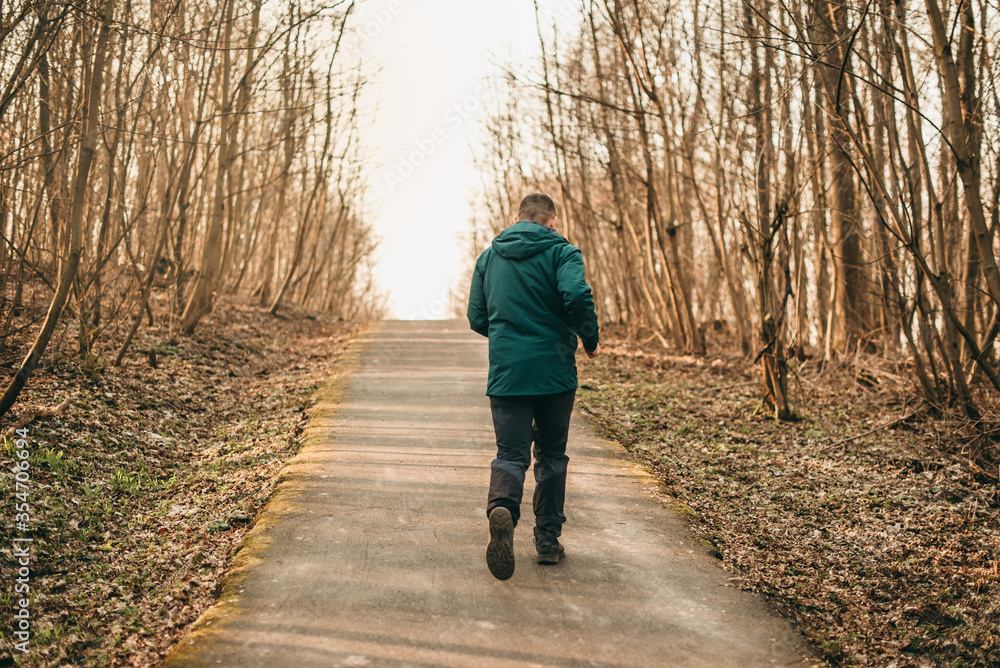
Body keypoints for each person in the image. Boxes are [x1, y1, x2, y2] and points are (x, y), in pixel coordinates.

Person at [466, 193, 600, 580]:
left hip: (507, 374)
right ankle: (547, 541)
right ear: (552, 221)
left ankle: (502, 508)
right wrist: (588, 339)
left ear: (517, 218)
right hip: (554, 373)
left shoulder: (489, 257)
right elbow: (576, 295)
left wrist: (507, 337)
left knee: (511, 454)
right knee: (552, 455)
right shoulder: (563, 253)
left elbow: (476, 316)